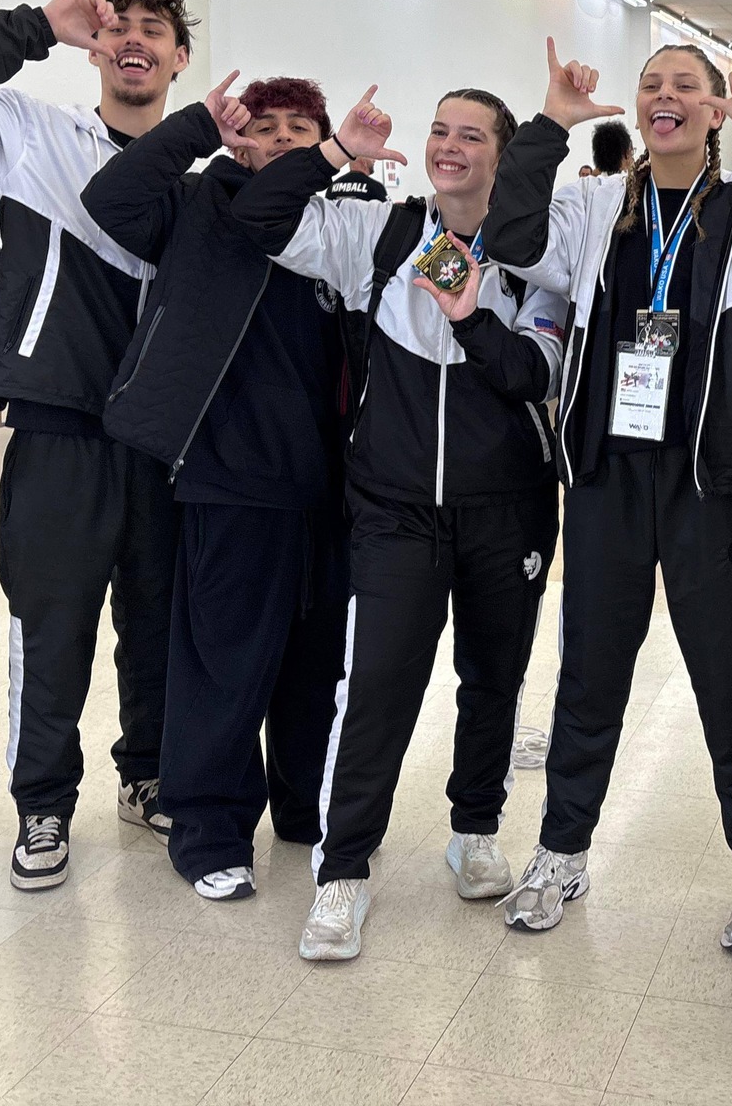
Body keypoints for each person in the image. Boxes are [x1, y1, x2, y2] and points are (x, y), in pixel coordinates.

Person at [485, 37, 732, 957]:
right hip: (609, 474)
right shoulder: (596, 205)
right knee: (589, 672)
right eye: (650, 85)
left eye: (684, 85)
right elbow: (512, 240)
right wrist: (549, 125)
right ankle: (561, 852)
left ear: (714, 109)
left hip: (712, 479)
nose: (662, 96)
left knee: (730, 678)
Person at [233, 85, 566, 962]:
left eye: (472, 136)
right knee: (377, 685)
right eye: (440, 131)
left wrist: (471, 315)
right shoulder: (380, 234)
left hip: (510, 509)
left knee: (493, 680)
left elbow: (535, 373)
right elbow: (258, 216)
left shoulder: (538, 254)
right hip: (393, 507)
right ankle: (342, 871)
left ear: (503, 156)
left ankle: (475, 830)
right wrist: (333, 153)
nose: (449, 147)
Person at [0, 0, 187, 890]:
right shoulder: (31, 138)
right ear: (97, 50)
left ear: (180, 59)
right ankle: (44, 806)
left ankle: (147, 776)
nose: (134, 39)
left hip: (164, 447)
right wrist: (36, 27)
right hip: (58, 436)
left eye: (155, 30)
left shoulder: (195, 175)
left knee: (159, 628)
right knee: (51, 633)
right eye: (119, 26)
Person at [80, 74, 354, 900]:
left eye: (299, 128)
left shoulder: (345, 224)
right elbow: (110, 199)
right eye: (264, 126)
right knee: (224, 663)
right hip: (230, 477)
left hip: (331, 486)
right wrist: (198, 127)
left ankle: (305, 810)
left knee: (316, 667)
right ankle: (208, 831)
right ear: (239, 140)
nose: (280, 139)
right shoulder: (201, 205)